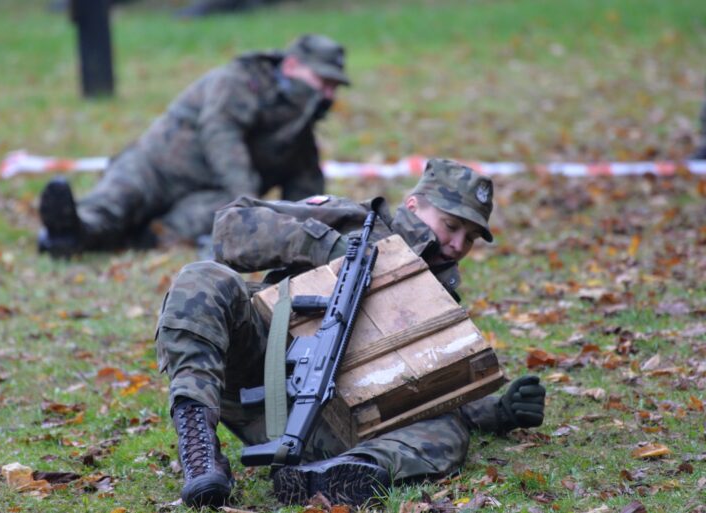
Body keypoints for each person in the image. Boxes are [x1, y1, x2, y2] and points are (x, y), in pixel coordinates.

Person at [154, 158, 547, 508]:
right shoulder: (352, 222)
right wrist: (330, 247)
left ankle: (335, 476)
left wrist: (497, 411)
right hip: (259, 376)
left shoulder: (440, 300)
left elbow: (428, 394)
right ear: (413, 206)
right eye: (451, 225)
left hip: (335, 428)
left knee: (447, 430)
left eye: (471, 237)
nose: (458, 244)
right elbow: (231, 227)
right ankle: (199, 447)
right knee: (202, 279)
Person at [37, 33, 349, 257]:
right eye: (323, 83)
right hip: (156, 167)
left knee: (181, 228)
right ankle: (70, 232)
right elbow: (221, 134)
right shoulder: (241, 80)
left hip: (208, 195)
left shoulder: (298, 133)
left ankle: (128, 239)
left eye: (334, 88)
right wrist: (248, 201)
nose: (328, 96)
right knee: (116, 203)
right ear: (291, 66)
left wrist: (312, 237)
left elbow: (304, 199)